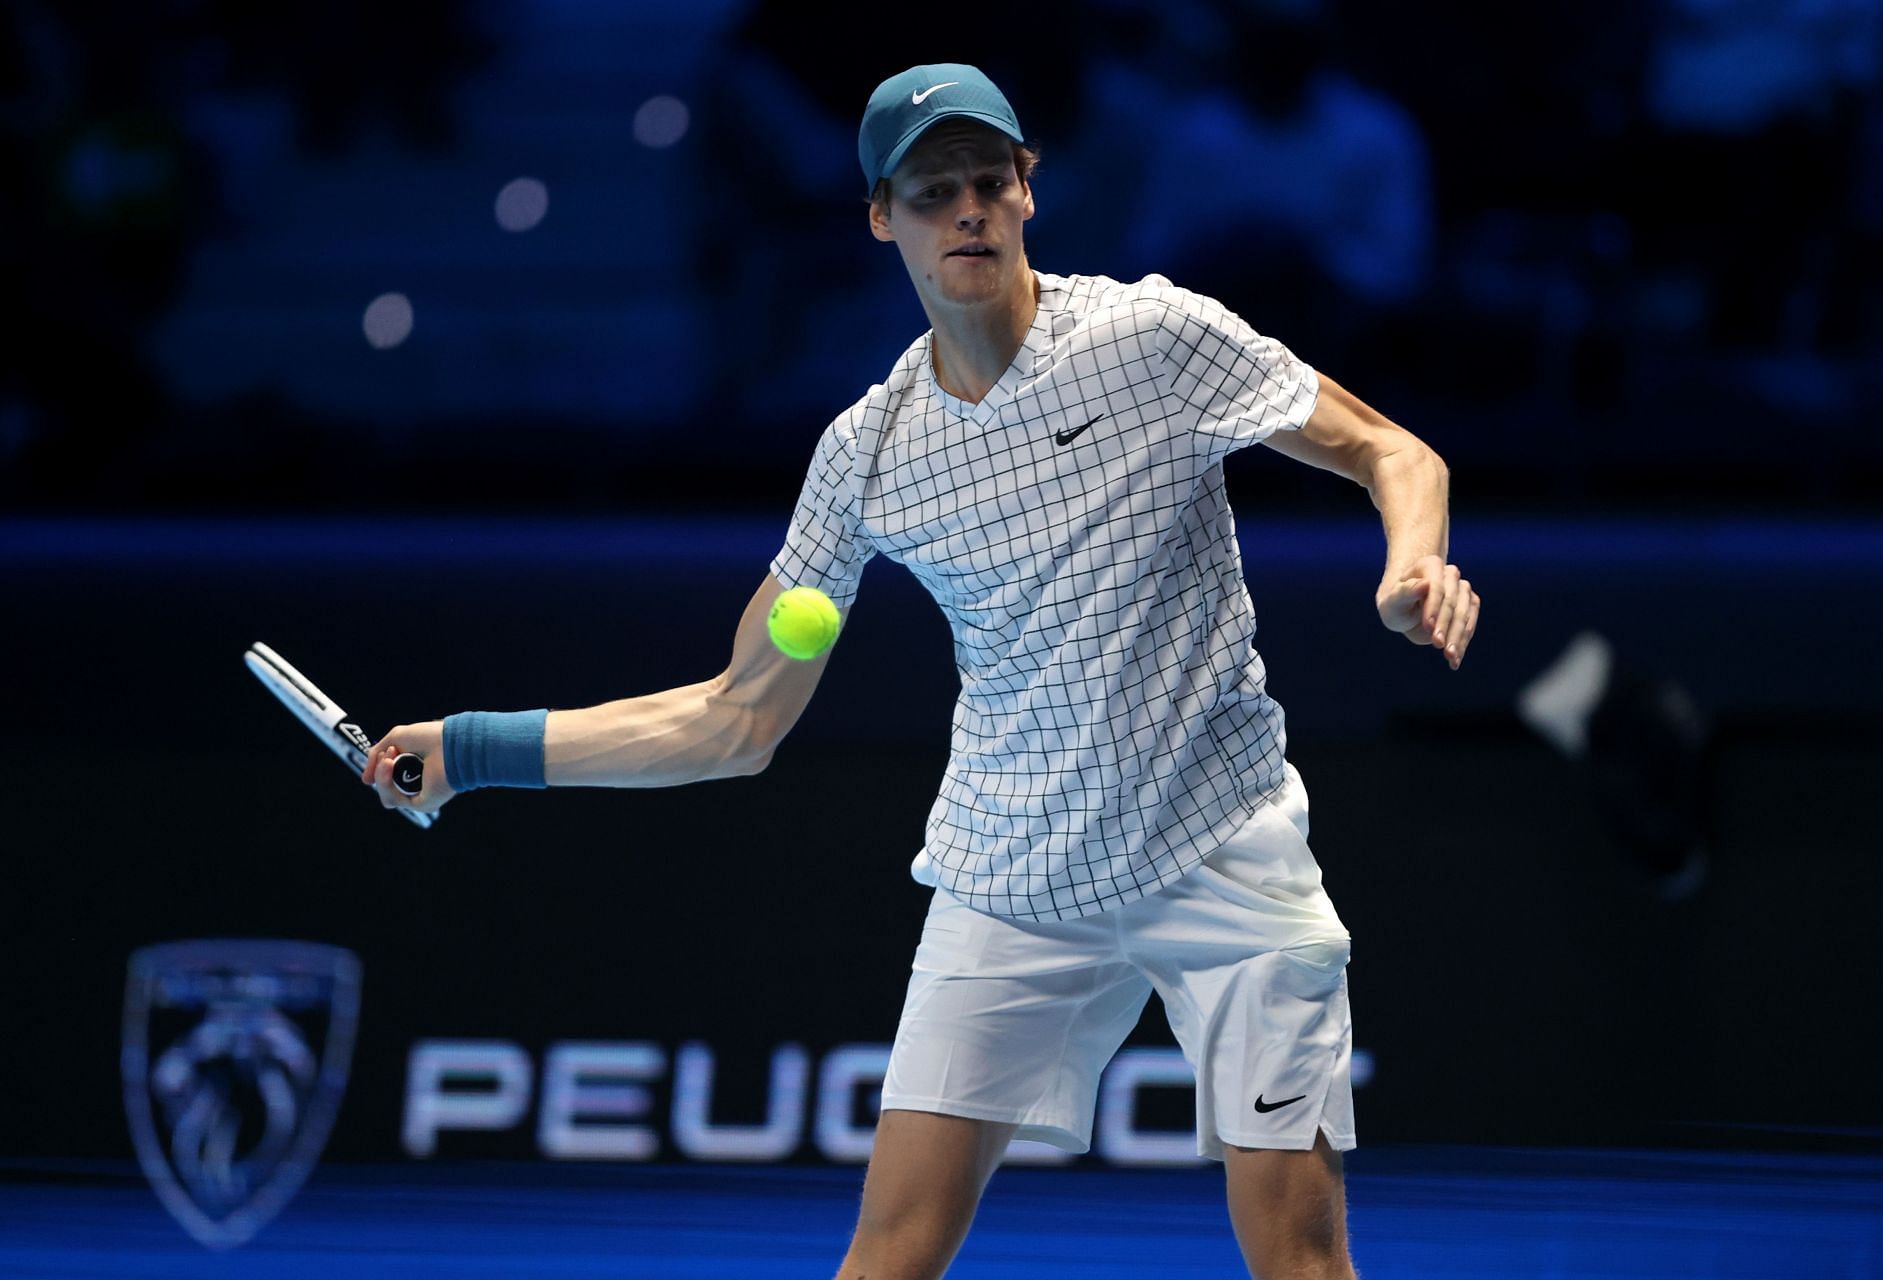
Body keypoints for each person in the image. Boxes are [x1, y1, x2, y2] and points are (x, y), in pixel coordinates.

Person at [363, 62, 1480, 1280]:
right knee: (887, 1256)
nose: (968, 211)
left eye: (989, 183)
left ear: (1025, 194)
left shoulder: (1155, 340)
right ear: (881, 216)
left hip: (1221, 842)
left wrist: (1410, 565)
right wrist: (470, 747)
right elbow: (734, 719)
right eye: (934, 190)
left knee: (1303, 1258)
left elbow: (1389, 447)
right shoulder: (867, 456)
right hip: (1010, 872)